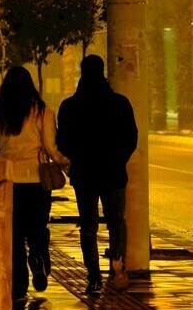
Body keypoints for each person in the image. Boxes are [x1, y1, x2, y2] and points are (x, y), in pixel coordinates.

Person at [0, 66, 69, 305]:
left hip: (9, 181)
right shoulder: (43, 112)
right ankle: (39, 256)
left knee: (15, 235)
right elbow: (52, 148)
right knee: (38, 228)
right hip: (37, 181)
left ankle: (19, 287)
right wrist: (65, 163)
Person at [56, 54, 138, 295]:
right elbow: (130, 137)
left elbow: (63, 140)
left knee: (88, 226)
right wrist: (119, 159)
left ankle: (93, 278)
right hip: (113, 173)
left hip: (85, 175)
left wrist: (76, 160)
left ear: (82, 73)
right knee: (116, 222)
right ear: (103, 72)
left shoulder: (70, 106)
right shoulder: (120, 103)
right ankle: (118, 268)